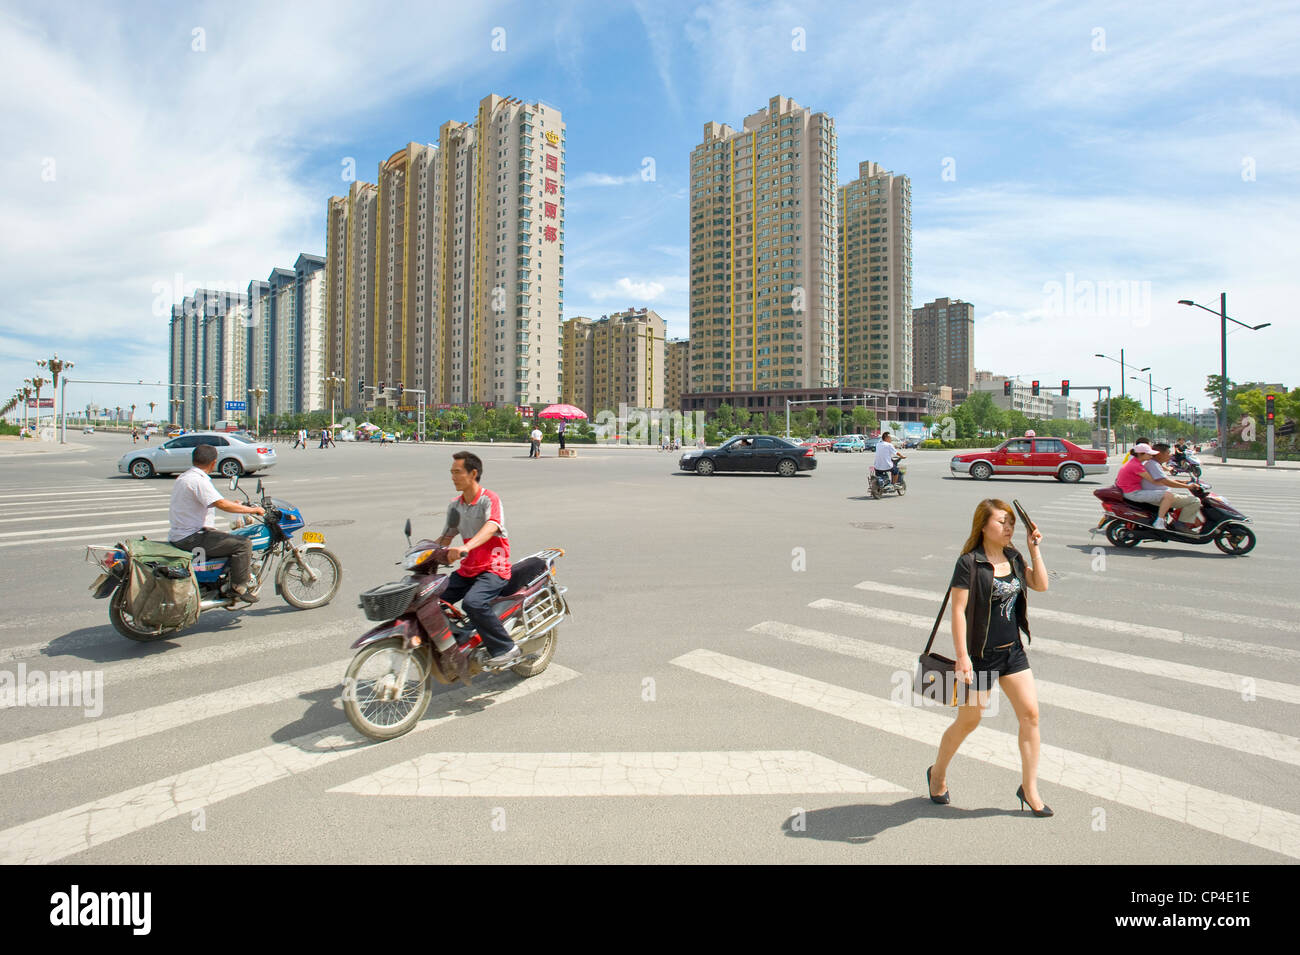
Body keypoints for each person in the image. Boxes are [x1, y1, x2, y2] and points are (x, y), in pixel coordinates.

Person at [928, 498, 1051, 815]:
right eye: (1002, 522)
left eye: (1011, 522)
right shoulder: (969, 563)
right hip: (980, 657)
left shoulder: (1013, 555)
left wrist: (1034, 548)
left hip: (1013, 653)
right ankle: (938, 771)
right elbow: (957, 613)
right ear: (983, 526)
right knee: (970, 720)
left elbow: (1040, 584)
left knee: (1031, 717)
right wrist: (962, 658)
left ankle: (1030, 788)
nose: (1008, 527)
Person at [436, 451, 520, 666]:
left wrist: (465, 546)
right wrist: (426, 553)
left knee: (473, 603)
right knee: (432, 600)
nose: (453, 477)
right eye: (451, 472)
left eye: (457, 472)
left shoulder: (488, 499)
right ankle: (462, 640)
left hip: (494, 568)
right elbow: (446, 536)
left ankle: (506, 647)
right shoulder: (455, 505)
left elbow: (492, 526)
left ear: (473, 473)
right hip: (468, 569)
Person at [168, 443, 266, 602]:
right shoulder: (199, 481)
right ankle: (238, 588)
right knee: (244, 544)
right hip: (192, 536)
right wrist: (253, 510)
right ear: (214, 462)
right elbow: (221, 504)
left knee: (228, 539)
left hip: (182, 534)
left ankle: (221, 580)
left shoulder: (185, 477)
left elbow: (214, 501)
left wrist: (235, 504)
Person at [1139, 443, 1202, 531]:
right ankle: (1181, 525)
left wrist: (1185, 482)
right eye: (1168, 453)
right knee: (1194, 501)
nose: (1170, 455)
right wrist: (1187, 486)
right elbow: (1165, 481)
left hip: (1160, 494)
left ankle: (1174, 522)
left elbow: (1165, 480)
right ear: (1160, 454)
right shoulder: (1153, 464)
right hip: (1158, 496)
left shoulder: (1154, 464)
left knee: (1185, 496)